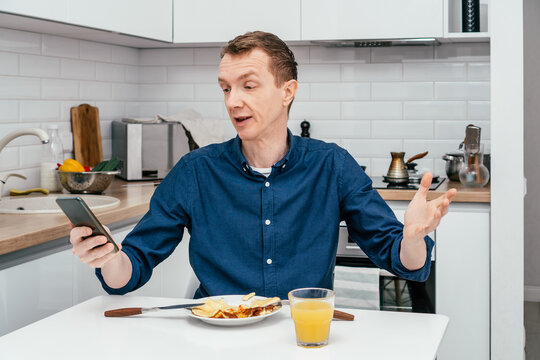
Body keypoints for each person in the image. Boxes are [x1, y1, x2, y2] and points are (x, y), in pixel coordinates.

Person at [70, 31, 456, 300]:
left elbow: (405, 263)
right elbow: (130, 270)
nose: (233, 101)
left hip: (303, 333)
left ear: (287, 92)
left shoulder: (331, 165)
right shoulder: (194, 172)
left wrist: (411, 237)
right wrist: (108, 259)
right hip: (218, 335)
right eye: (225, 87)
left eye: (248, 86)